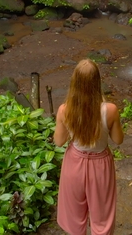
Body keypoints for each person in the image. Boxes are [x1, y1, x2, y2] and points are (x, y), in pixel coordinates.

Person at [53, 59, 125, 235]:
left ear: (74, 82)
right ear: (97, 82)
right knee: (102, 216)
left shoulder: (65, 110)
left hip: (74, 163)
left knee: (74, 216)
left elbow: (59, 141)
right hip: (100, 164)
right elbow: (118, 140)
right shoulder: (111, 110)